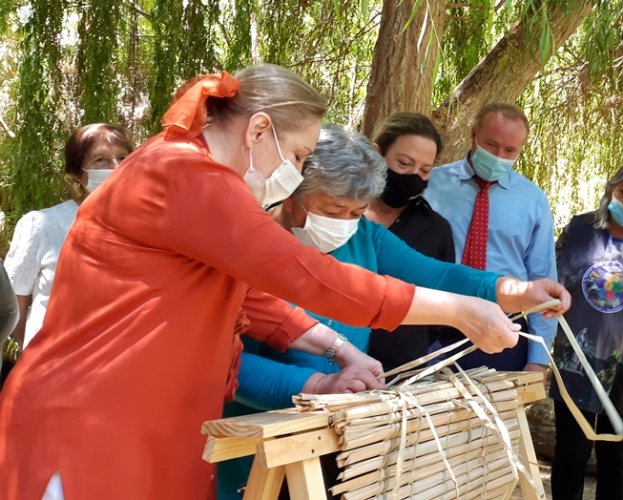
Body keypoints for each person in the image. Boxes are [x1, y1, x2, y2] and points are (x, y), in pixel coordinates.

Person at [0, 65, 568, 500]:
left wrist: (339, 347)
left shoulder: (190, 176)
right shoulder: (185, 175)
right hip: (96, 421)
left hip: (152, 424)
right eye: (297, 155)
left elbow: (258, 300)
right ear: (259, 130)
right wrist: (460, 313)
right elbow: (309, 278)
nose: (294, 171)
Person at [218, 125, 570, 498]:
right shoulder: (246, 248)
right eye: (333, 209)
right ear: (291, 195)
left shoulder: (364, 236)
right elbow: (224, 361)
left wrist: (515, 292)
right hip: (255, 437)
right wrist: (316, 387)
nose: (344, 224)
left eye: (356, 211)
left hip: (342, 437)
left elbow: (438, 275)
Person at [549, 159, 623, 500]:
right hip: (576, 358)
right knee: (571, 450)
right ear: (611, 188)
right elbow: (552, 281)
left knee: (615, 452)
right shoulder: (580, 230)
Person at [425, 103, 557, 372]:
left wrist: (538, 359)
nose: (498, 155)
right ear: (474, 135)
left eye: (510, 150)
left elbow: (542, 276)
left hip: (503, 329)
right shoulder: (432, 185)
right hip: (435, 328)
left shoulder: (532, 200)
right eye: (490, 144)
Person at [4, 123, 133, 350]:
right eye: (100, 160)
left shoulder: (149, 228)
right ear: (76, 174)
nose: (115, 166)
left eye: (123, 157)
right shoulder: (42, 226)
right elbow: (13, 309)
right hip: (52, 364)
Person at [364, 112, 457, 371]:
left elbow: (443, 304)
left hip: (401, 373)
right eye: (404, 164)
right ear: (376, 154)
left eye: (425, 170)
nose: (414, 176)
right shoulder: (336, 214)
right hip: (326, 368)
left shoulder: (435, 229)